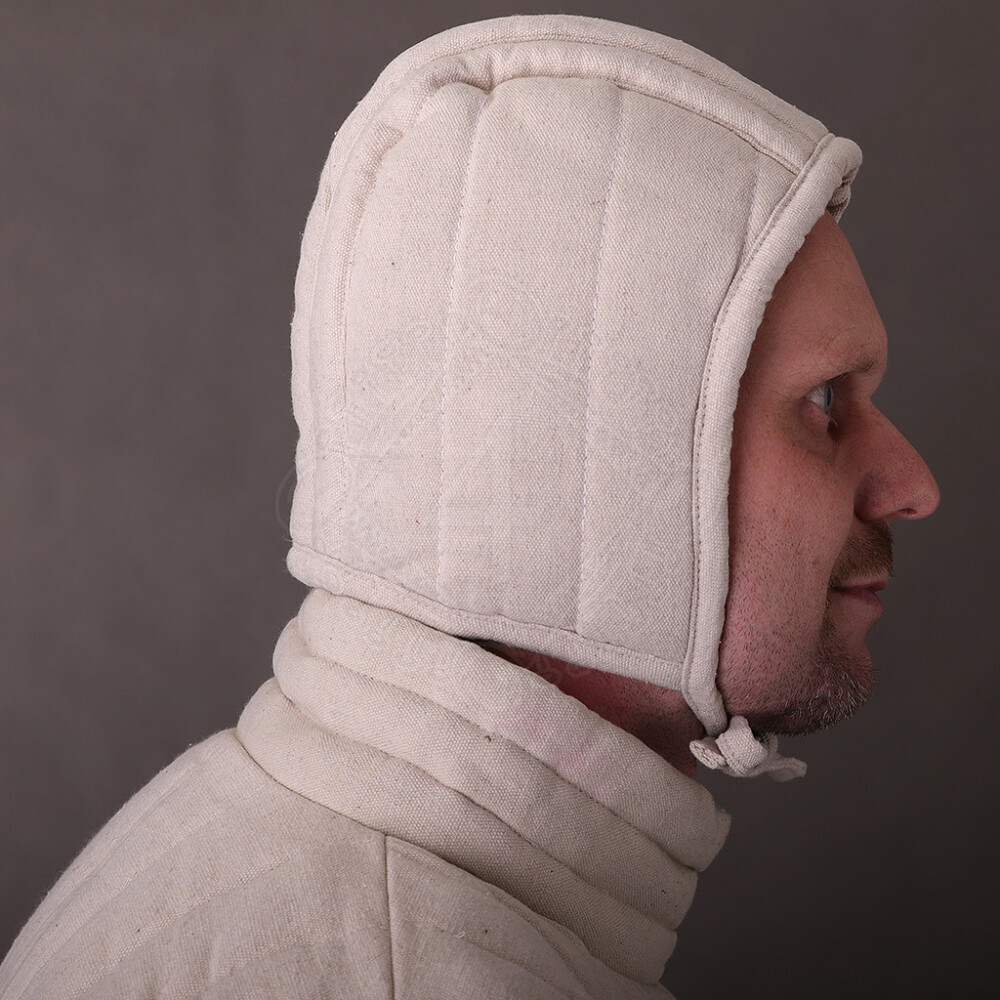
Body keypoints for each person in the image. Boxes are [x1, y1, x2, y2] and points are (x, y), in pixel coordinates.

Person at [0, 13, 938, 1000]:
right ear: (590, 461)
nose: (914, 485)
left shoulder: (323, 864)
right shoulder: (406, 971)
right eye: (823, 400)